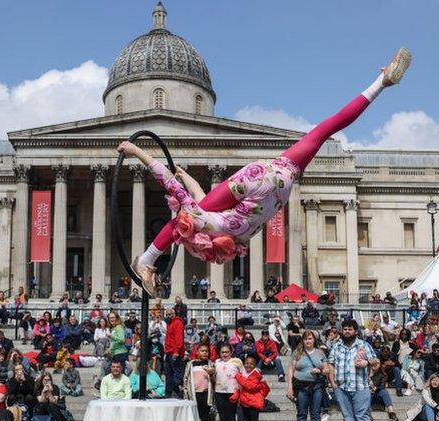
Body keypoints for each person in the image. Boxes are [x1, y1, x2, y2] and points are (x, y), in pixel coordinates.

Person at [125, 47, 412, 293]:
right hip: (263, 175)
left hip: (281, 179)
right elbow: (189, 198)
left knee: (326, 129)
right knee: (329, 126)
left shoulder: (239, 232)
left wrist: (142, 153)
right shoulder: (221, 225)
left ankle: (146, 261)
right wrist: (149, 158)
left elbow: (197, 200)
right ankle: (380, 81)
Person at [327, 318, 377, 421]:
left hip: (360, 385)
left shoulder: (364, 345)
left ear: (355, 331)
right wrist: (333, 383)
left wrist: (367, 363)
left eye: (350, 329)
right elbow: (330, 364)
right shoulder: (336, 346)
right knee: (347, 415)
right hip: (341, 387)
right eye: (345, 329)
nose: (347, 331)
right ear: (341, 331)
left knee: (362, 414)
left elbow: (376, 362)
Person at [288, 331, 331, 421]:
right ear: (303, 340)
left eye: (310, 339)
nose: (308, 341)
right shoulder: (297, 353)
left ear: (314, 340)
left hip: (317, 386)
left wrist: (320, 371)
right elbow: (291, 369)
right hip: (301, 387)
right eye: (306, 339)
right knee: (301, 414)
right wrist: (289, 387)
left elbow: (327, 369)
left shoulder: (320, 353)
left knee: (315, 414)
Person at [234, 355, 270, 421]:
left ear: (255, 365)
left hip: (254, 402)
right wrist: (235, 397)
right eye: (246, 363)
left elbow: (249, 386)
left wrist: (238, 377)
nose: (248, 365)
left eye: (251, 363)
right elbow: (241, 388)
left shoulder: (256, 374)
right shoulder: (244, 374)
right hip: (245, 402)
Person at [183, 343, 215, 421]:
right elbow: (186, 379)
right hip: (194, 395)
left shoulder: (210, 364)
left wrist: (212, 374)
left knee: (205, 418)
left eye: (206, 351)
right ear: (197, 352)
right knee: (194, 418)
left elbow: (215, 380)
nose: (205, 353)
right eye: (202, 351)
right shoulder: (191, 364)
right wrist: (186, 394)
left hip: (205, 394)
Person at [213, 343, 243, 421]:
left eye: (227, 352)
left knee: (231, 418)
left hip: (233, 392)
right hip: (219, 392)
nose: (224, 354)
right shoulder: (216, 362)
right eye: (222, 352)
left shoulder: (237, 361)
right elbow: (213, 376)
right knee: (222, 418)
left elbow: (242, 376)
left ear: (231, 352)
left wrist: (240, 391)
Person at [163, 308, 185, 398]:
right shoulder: (170, 324)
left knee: (176, 375)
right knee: (168, 374)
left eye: (170, 314)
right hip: (169, 352)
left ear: (174, 314)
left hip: (175, 353)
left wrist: (176, 352)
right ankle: (168, 394)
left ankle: (178, 391)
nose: (168, 316)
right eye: (167, 314)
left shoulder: (177, 323)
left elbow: (179, 339)